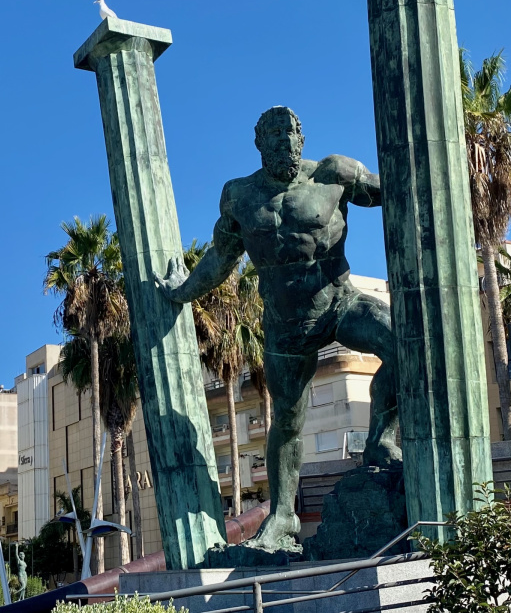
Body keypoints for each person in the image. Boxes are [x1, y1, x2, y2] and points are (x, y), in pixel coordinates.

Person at [159, 105, 398, 549]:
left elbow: (394, 192)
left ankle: (381, 439)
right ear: (259, 145)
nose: (285, 142)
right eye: (274, 137)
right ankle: (283, 516)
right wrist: (181, 291)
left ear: (302, 139)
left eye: (291, 134)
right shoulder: (240, 196)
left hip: (338, 301)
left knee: (401, 342)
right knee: (287, 420)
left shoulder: (334, 175)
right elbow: (221, 258)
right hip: (286, 325)